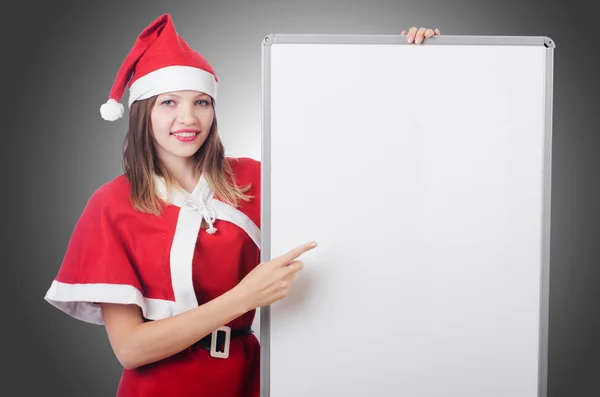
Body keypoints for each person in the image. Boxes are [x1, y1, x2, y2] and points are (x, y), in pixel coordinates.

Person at [44, 13, 440, 397]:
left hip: (255, 381)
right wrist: (245, 297)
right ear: (143, 111)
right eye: (169, 103)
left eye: (201, 102)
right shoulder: (112, 204)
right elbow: (130, 349)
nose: (188, 118)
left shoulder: (255, 179)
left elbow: (362, 175)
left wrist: (408, 67)